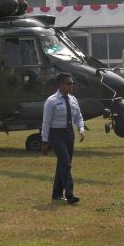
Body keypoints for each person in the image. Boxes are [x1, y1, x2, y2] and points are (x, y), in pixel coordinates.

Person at [41, 72, 85, 204]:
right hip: (56, 134)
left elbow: (78, 116)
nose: (71, 86)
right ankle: (70, 194)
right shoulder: (51, 101)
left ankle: (56, 194)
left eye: (72, 83)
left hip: (69, 134)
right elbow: (46, 122)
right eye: (69, 83)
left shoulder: (73, 99)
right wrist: (44, 141)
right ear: (60, 85)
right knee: (65, 162)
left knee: (62, 164)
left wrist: (81, 128)